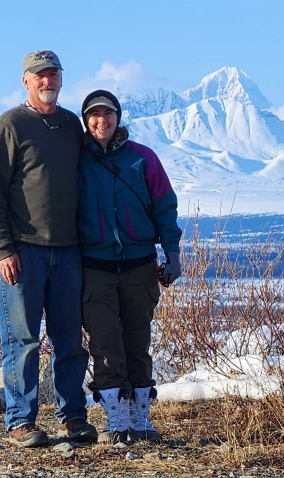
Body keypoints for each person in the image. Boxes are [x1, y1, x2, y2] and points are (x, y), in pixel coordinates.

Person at [0, 49, 98, 447]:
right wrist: (3, 249)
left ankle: (73, 418)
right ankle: (19, 421)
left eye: (53, 75)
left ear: (61, 80)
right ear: (26, 81)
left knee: (69, 341)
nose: (47, 81)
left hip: (68, 251)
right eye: (39, 75)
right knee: (23, 341)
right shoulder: (10, 125)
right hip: (24, 252)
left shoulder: (70, 125)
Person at [76, 89, 183, 444]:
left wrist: (173, 254)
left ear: (118, 118)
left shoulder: (143, 159)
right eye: (94, 114)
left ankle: (141, 419)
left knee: (138, 342)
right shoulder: (76, 161)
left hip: (140, 265)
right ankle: (116, 420)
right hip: (95, 267)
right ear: (85, 119)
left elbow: (165, 206)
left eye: (108, 114)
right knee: (105, 345)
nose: (101, 120)